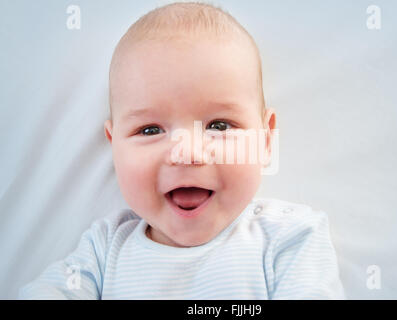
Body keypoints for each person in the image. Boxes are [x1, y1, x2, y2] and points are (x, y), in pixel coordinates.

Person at [18, 2, 346, 299]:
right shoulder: (104, 249)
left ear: (265, 139)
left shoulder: (288, 236)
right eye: (150, 130)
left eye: (219, 125)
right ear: (113, 145)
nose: (187, 154)